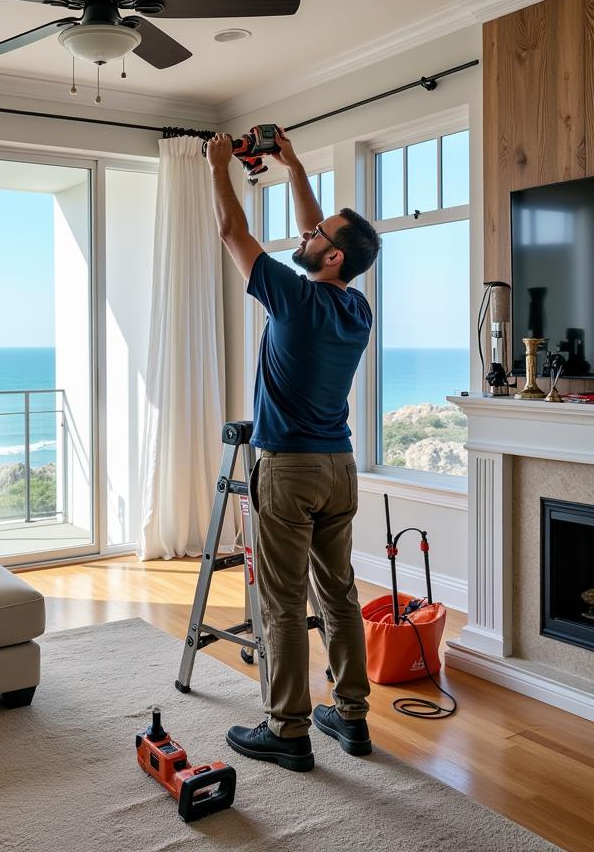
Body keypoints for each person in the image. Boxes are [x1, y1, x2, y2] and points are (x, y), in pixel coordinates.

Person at [205, 128, 380, 773]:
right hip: (339, 467)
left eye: (317, 238)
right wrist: (294, 165)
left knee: (281, 598)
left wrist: (218, 166)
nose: (305, 238)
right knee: (338, 592)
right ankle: (353, 719)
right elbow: (318, 238)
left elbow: (232, 231)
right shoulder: (355, 307)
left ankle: (288, 730)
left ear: (332, 258)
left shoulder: (292, 294)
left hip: (289, 469)